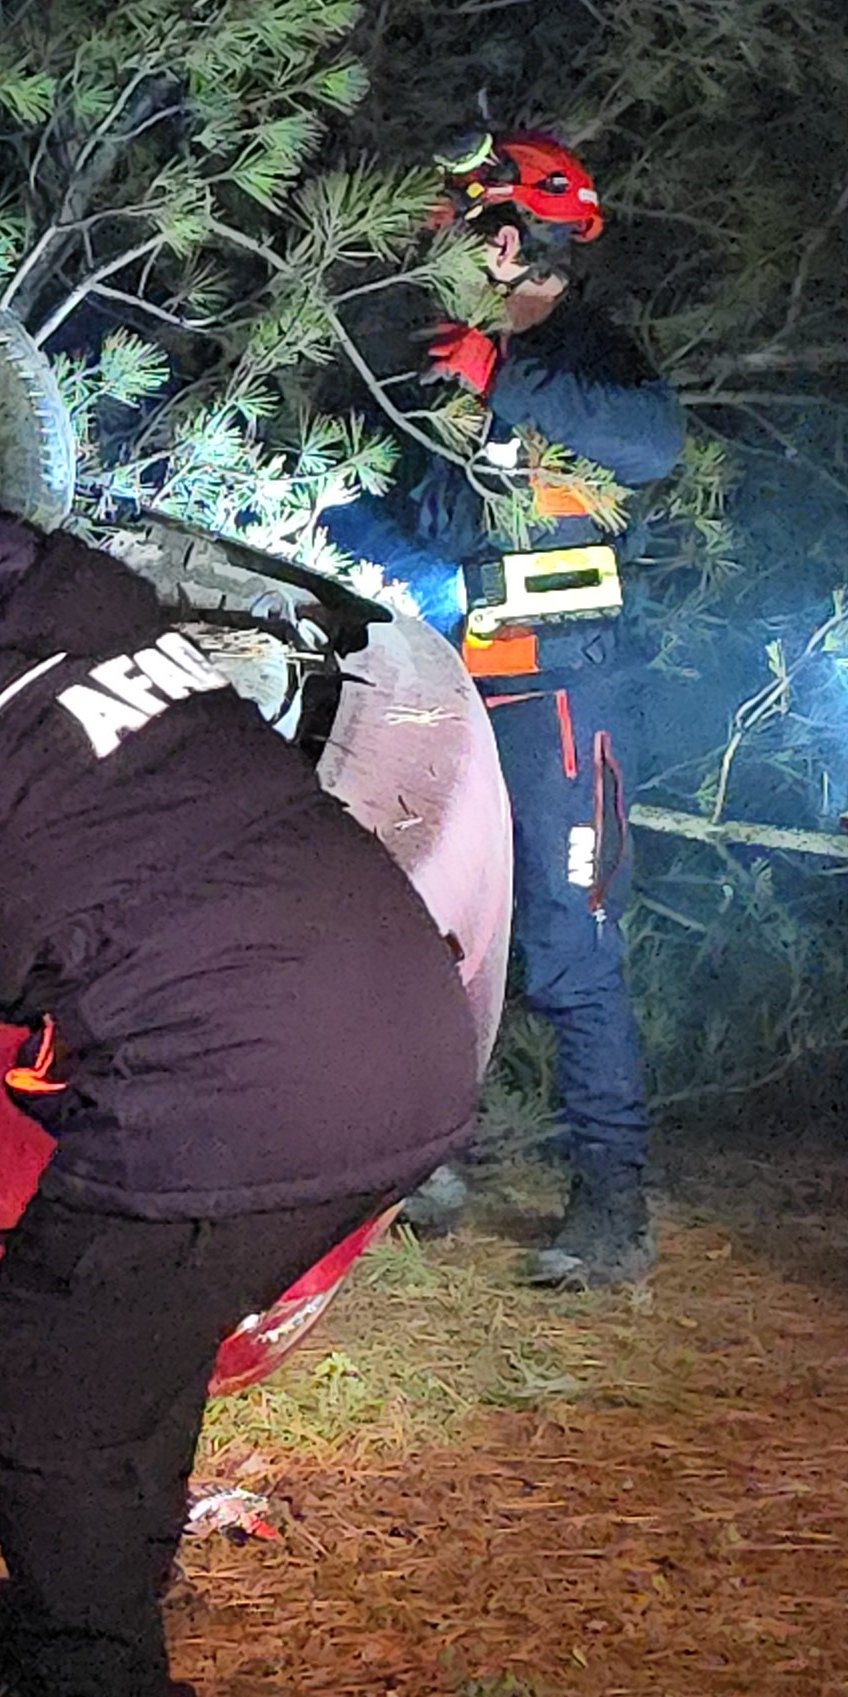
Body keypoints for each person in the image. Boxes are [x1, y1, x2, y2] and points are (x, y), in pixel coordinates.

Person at [0, 481, 479, 1697]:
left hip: (238, 1082)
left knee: (34, 1389)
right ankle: (98, 1625)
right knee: (125, 1363)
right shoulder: (105, 623)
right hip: (404, 1039)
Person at [328, 132, 689, 1288]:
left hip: (565, 687)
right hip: (455, 687)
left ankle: (612, 1206)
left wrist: (501, 377)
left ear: (511, 239)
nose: (441, 245)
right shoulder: (449, 360)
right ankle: (432, 1159)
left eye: (459, 226)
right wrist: (326, 503)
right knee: (424, 921)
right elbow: (432, 521)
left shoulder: (588, 354)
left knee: (568, 943)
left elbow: (653, 441)